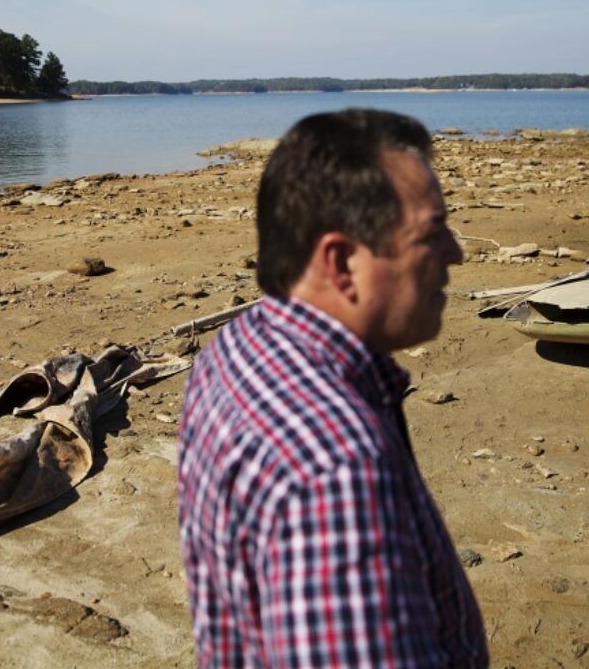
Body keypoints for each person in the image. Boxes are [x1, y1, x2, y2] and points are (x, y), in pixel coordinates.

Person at [177, 109, 488, 668]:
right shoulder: (337, 470)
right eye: (431, 232)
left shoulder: (234, 348)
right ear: (342, 261)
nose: (456, 253)